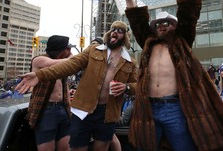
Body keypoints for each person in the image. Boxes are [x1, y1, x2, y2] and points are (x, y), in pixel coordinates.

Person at [123, 0, 223, 151]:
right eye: (159, 23)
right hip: (148, 108)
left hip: (174, 108)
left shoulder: (181, 41)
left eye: (168, 23)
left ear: (174, 26)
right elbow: (135, 18)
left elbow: (188, 10)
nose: (163, 25)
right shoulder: (148, 42)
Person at [16, 21, 137, 151]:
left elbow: (137, 84)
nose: (115, 32)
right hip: (83, 110)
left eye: (119, 31)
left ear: (125, 36)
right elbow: (69, 65)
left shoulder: (130, 62)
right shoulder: (93, 51)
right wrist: (40, 75)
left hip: (108, 113)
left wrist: (127, 87)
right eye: (113, 29)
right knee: (77, 148)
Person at [27, 35, 73, 151]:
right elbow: (58, 63)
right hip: (47, 110)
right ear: (60, 49)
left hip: (63, 108)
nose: (70, 51)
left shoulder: (63, 65)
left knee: (65, 147)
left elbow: (64, 84)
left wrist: (68, 100)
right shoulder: (39, 60)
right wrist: (72, 58)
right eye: (68, 48)